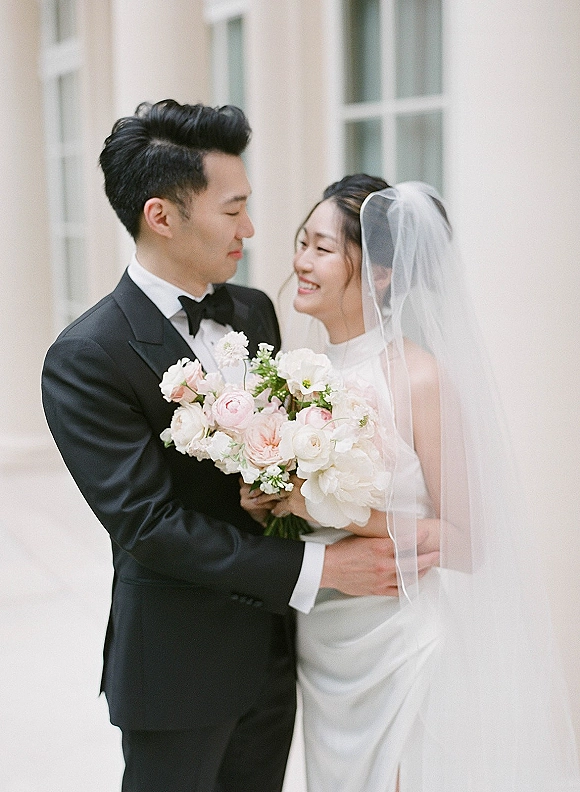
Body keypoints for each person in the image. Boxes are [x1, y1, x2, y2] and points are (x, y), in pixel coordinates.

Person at [41, 103, 438, 792]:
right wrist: (323, 572)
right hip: (178, 671)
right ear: (162, 215)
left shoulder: (253, 310)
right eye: (234, 210)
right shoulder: (85, 356)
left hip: (281, 658)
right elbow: (151, 525)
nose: (252, 231)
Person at [264, 175, 580, 791]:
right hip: (324, 642)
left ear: (380, 274)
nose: (301, 262)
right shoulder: (296, 376)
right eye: (303, 243)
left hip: (402, 643)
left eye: (323, 249)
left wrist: (332, 507)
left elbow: (465, 541)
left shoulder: (421, 380)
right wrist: (268, 504)